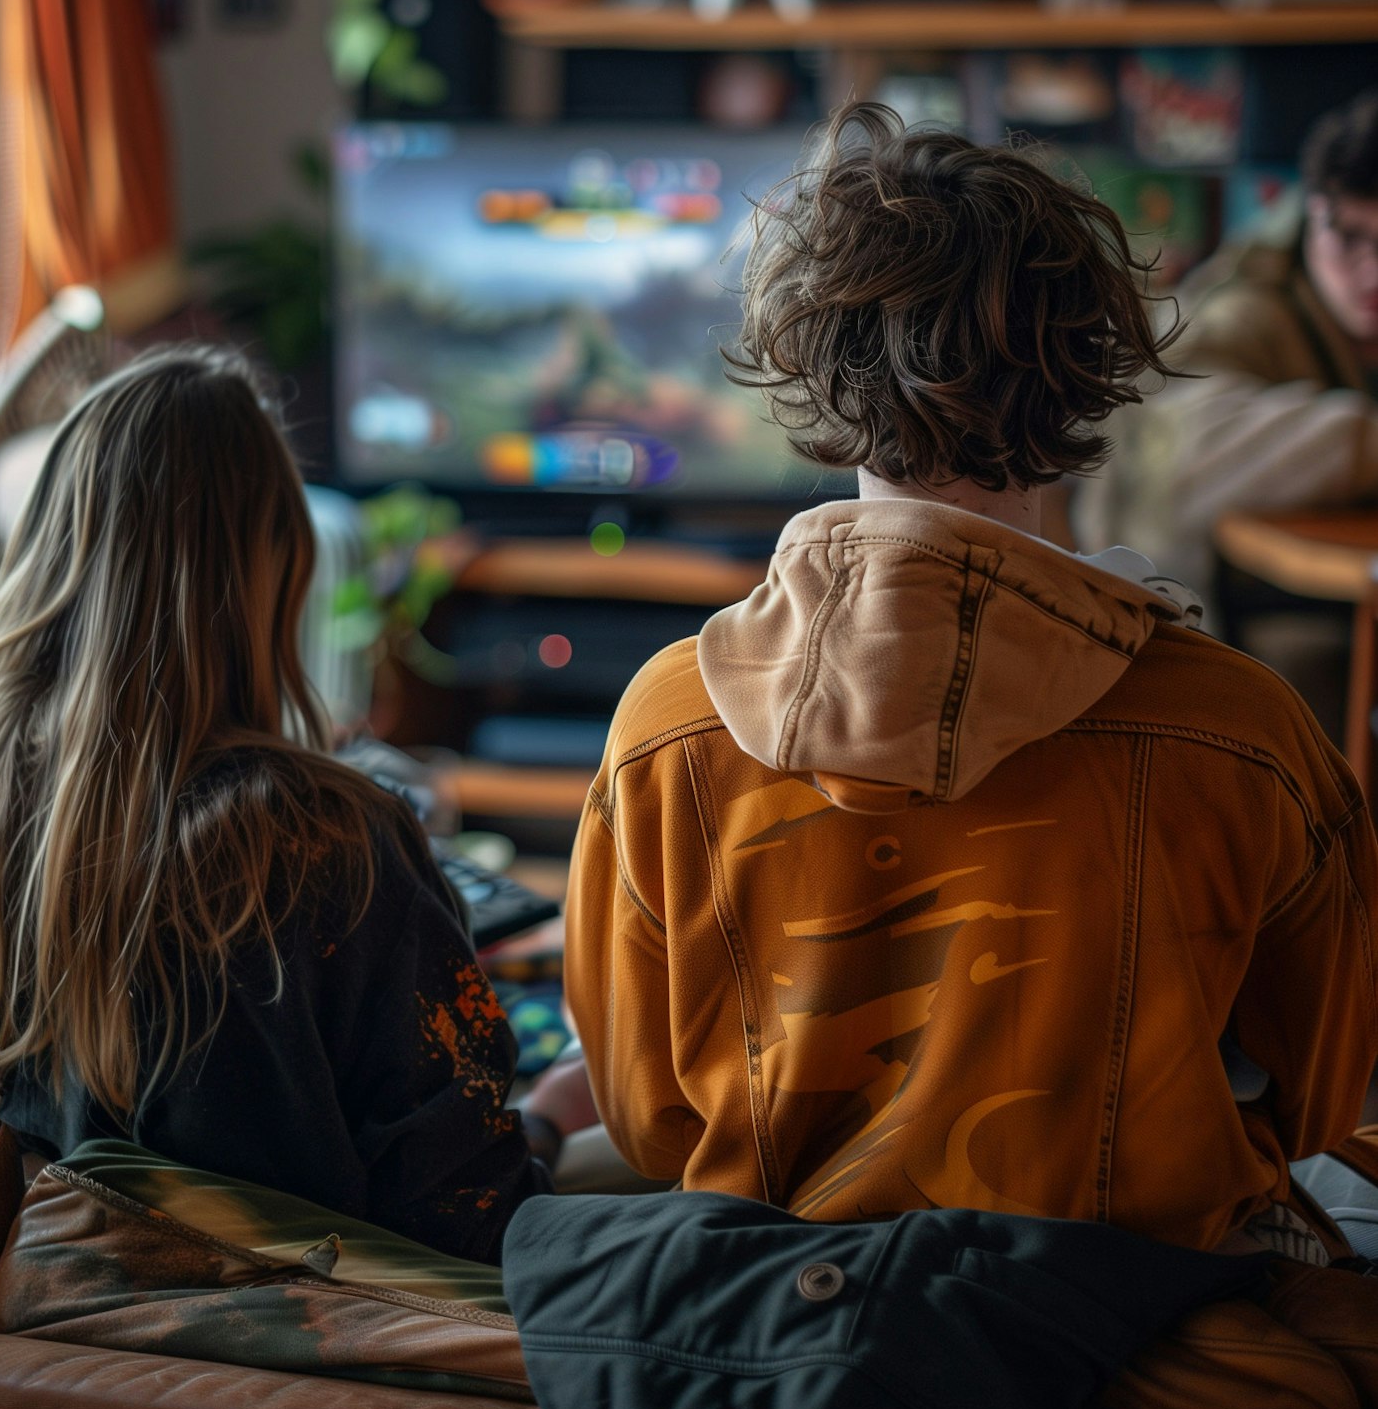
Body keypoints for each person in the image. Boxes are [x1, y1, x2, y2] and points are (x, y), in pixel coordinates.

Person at [564, 103, 1378, 1255]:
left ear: (812, 362)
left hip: (792, 1351)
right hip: (1153, 1345)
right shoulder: (1247, 730)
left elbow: (647, 1122)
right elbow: (1324, 1097)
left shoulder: (663, 727)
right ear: (1088, 371)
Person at [0, 346, 567, 1264]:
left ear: (47, 540)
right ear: (274, 570)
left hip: (9, 1361)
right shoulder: (336, 839)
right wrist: (555, 1115)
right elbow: (469, 1221)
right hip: (303, 1362)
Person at [1078, 86, 1378, 603]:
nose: (1373, 272)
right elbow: (1176, 453)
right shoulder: (1246, 311)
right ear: (1311, 213)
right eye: (1350, 236)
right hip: (1249, 639)